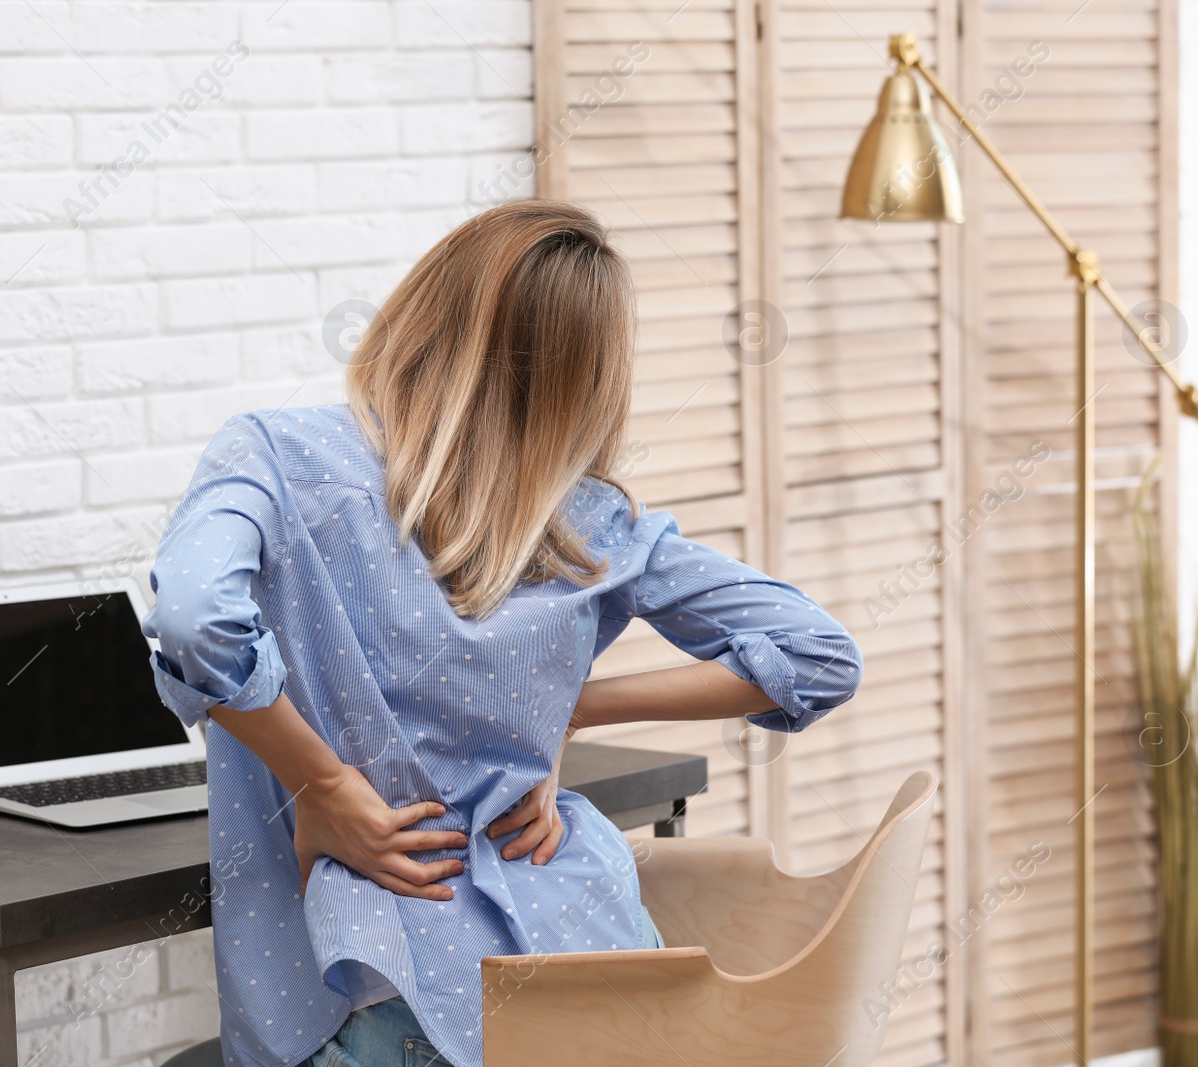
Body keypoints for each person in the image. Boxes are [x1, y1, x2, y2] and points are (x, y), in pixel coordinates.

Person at [142, 200, 863, 1067]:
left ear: (422, 309)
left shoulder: (273, 454)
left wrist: (322, 784)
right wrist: (571, 710)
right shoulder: (594, 522)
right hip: (604, 977)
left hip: (378, 990)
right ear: (590, 380)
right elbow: (818, 657)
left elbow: (190, 617)